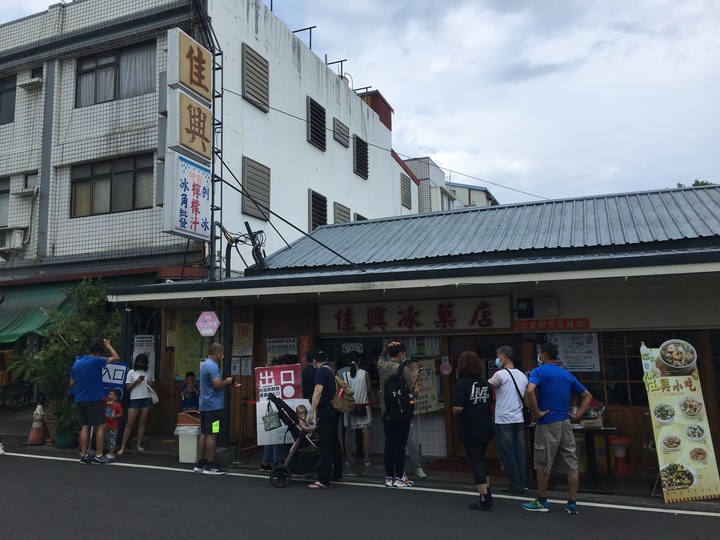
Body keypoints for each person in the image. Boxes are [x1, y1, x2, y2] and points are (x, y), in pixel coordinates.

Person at [522, 342, 593, 515]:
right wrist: (577, 416)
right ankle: (572, 502)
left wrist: (536, 412)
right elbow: (587, 396)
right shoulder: (566, 374)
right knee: (571, 464)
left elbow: (530, 391)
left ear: (544, 355)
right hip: (565, 423)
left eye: (540, 353)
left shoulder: (539, 371)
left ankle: (542, 500)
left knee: (542, 462)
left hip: (547, 422)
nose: (539, 356)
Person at [452, 351, 495, 510]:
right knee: (481, 460)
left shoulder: (461, 384)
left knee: (476, 461)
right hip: (485, 426)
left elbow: (458, 408)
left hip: (470, 427)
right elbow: (489, 402)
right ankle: (488, 495)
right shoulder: (484, 382)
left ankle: (484, 499)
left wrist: (454, 412)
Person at [70, 337, 120, 464]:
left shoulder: (77, 363)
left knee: (84, 427)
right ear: (99, 351)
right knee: (101, 425)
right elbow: (116, 357)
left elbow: (72, 382)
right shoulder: (97, 361)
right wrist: (108, 345)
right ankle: (98, 455)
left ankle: (84, 455)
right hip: (93, 398)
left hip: (79, 398)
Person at [193, 343, 240, 475]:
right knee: (213, 434)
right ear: (217, 352)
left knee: (204, 433)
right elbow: (217, 384)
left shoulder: (204, 364)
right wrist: (228, 381)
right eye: (222, 352)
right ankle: (210, 464)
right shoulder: (213, 366)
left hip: (205, 404)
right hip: (214, 406)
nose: (222, 355)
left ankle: (200, 462)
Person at [377, 341, 419, 488]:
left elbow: (381, 358)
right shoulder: (403, 369)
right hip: (402, 413)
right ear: (400, 354)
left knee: (389, 443)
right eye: (404, 353)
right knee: (400, 445)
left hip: (386, 412)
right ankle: (400, 477)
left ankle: (389, 477)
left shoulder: (382, 366)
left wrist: (387, 348)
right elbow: (413, 390)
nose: (404, 356)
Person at [488, 345, 529, 494]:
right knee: (520, 451)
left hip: (503, 419)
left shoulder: (500, 375)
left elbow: (486, 389)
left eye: (498, 357)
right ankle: (521, 482)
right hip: (518, 418)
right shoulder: (522, 375)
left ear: (504, 358)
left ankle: (515, 485)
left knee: (508, 453)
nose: (497, 360)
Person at [307, 349, 342, 489]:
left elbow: (317, 392)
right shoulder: (332, 369)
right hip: (334, 411)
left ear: (315, 360)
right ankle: (337, 473)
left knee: (326, 445)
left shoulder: (321, 371)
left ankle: (324, 479)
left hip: (326, 412)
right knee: (334, 442)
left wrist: (311, 412)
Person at [118, 353, 154, 456]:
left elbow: (152, 382)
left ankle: (138, 444)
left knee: (143, 422)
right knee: (130, 423)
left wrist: (149, 383)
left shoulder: (148, 371)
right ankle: (123, 446)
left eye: (143, 361)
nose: (141, 363)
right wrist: (137, 381)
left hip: (146, 397)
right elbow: (128, 388)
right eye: (140, 361)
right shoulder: (131, 372)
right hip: (134, 399)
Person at [342, 357, 372, 466]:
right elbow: (369, 389)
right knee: (365, 431)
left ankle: (348, 458)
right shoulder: (365, 373)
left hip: (349, 407)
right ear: (359, 361)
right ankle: (367, 459)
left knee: (348, 432)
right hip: (363, 405)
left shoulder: (345, 374)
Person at [102, 388, 123, 462]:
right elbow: (102, 399)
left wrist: (115, 416)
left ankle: (112, 454)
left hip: (113, 426)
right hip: (106, 424)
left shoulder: (117, 405)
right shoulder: (107, 402)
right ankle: (109, 453)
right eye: (108, 394)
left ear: (116, 397)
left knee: (112, 440)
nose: (109, 396)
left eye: (111, 395)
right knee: (108, 439)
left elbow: (121, 413)